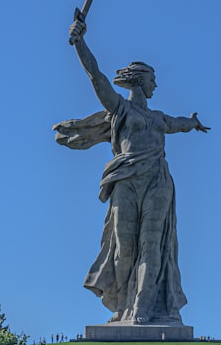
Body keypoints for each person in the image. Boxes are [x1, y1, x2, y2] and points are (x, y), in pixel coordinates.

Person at [57, 17, 209, 325]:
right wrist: (80, 42)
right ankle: (123, 306)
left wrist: (193, 122)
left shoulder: (158, 118)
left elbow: (180, 124)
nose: (156, 85)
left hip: (157, 179)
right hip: (125, 179)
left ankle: (142, 308)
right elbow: (96, 78)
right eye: (153, 79)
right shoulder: (120, 109)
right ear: (140, 81)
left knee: (152, 245)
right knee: (123, 250)